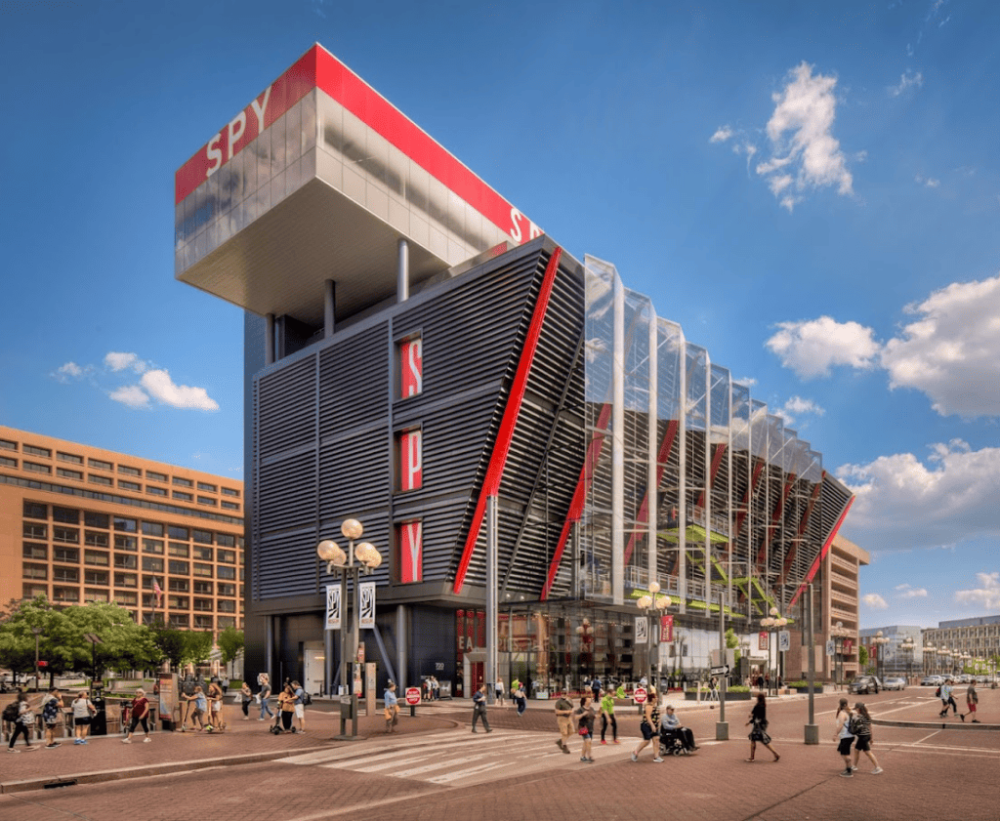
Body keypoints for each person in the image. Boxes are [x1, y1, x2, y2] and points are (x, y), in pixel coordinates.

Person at [631, 687, 662, 762]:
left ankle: (656, 757)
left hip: (655, 726)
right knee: (647, 741)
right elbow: (648, 717)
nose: (657, 698)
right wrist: (652, 725)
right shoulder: (649, 706)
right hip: (646, 726)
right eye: (656, 697)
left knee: (656, 739)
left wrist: (658, 725)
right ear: (652, 699)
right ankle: (635, 752)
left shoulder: (655, 706)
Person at [746, 693, 780, 763]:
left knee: (757, 740)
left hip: (757, 725)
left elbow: (754, 716)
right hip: (763, 724)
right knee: (760, 740)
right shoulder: (763, 705)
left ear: (758, 699)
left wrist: (750, 721)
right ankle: (775, 754)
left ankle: (752, 758)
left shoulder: (757, 706)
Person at [850, 703, 883, 774]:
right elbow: (870, 727)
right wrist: (871, 738)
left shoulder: (858, 717)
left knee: (868, 752)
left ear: (858, 709)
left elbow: (854, 727)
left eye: (855, 709)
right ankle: (854, 766)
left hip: (863, 736)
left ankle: (877, 767)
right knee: (856, 750)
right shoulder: (867, 716)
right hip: (867, 735)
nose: (855, 710)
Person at [833, 697, 854, 776]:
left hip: (845, 736)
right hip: (850, 735)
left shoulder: (842, 713)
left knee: (845, 754)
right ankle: (848, 767)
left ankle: (849, 770)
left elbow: (841, 725)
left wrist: (835, 734)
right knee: (843, 751)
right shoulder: (849, 712)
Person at [573, 694, 597, 763]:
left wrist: (596, 716)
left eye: (590, 699)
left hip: (590, 728)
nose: (590, 700)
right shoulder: (581, 709)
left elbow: (594, 715)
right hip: (583, 728)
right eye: (589, 699)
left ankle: (582, 757)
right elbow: (576, 717)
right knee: (588, 741)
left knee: (586, 743)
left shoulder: (591, 709)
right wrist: (583, 714)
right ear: (585, 701)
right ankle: (589, 756)